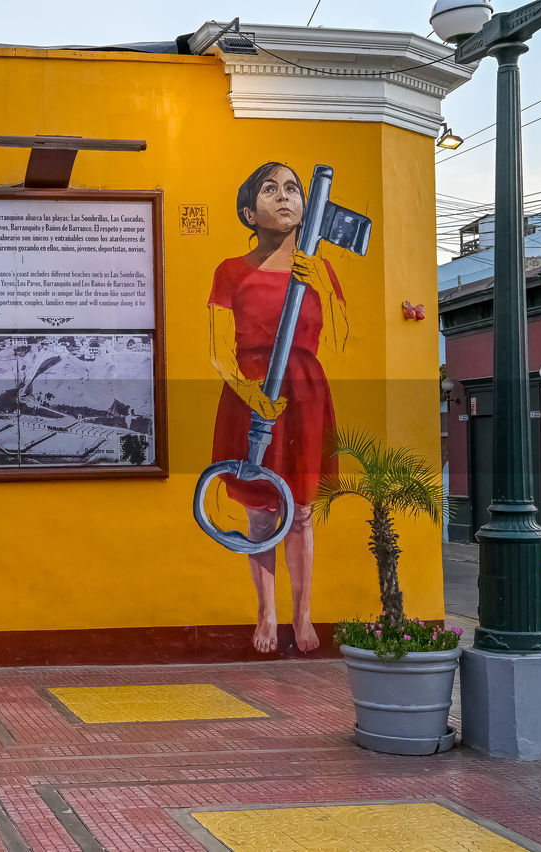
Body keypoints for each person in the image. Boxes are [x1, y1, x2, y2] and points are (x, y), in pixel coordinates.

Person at [206, 161, 349, 654]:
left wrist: (324, 288)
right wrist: (249, 393)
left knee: (302, 511)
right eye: (271, 189)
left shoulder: (319, 268)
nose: (284, 197)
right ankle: (266, 614)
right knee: (263, 514)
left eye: (293, 189)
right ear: (249, 211)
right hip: (253, 394)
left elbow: (343, 341)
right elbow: (219, 351)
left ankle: (302, 616)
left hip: (304, 395)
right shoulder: (230, 271)